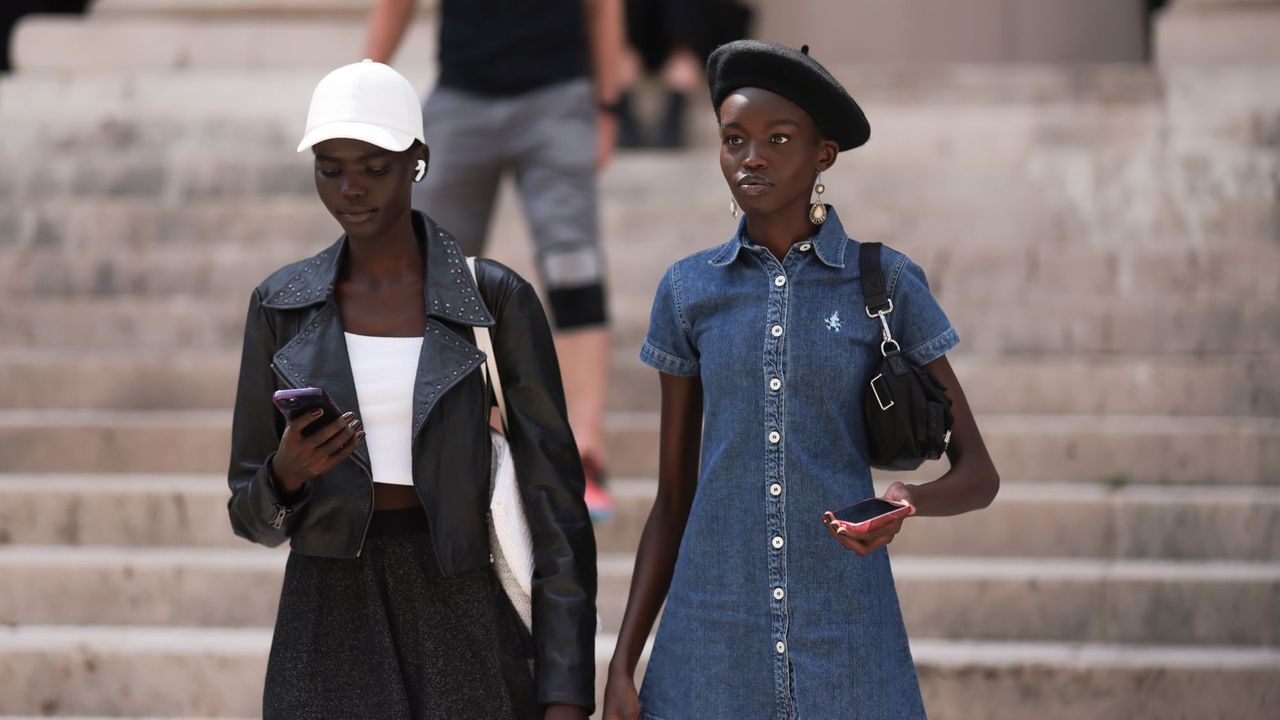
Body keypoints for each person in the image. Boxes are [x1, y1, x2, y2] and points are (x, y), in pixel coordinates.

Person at [602, 40, 1000, 719]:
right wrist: (621, 661)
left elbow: (979, 474)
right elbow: (673, 498)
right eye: (734, 139)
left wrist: (905, 502)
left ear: (824, 153)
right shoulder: (689, 290)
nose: (751, 157)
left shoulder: (887, 284)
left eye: (778, 138)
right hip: (709, 638)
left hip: (847, 635)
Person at [226, 60, 597, 720]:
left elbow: (557, 507)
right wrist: (284, 475)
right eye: (330, 167)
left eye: (374, 166)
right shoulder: (280, 306)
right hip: (324, 614)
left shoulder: (496, 299)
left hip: (465, 604)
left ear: (417, 160)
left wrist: (566, 692)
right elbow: (248, 515)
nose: (350, 189)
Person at [364, 0, 624, 519]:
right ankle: (445, 437)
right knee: (427, 274)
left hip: (559, 96)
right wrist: (363, 94)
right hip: (461, 98)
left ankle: (585, 453)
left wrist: (608, 104)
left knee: (575, 272)